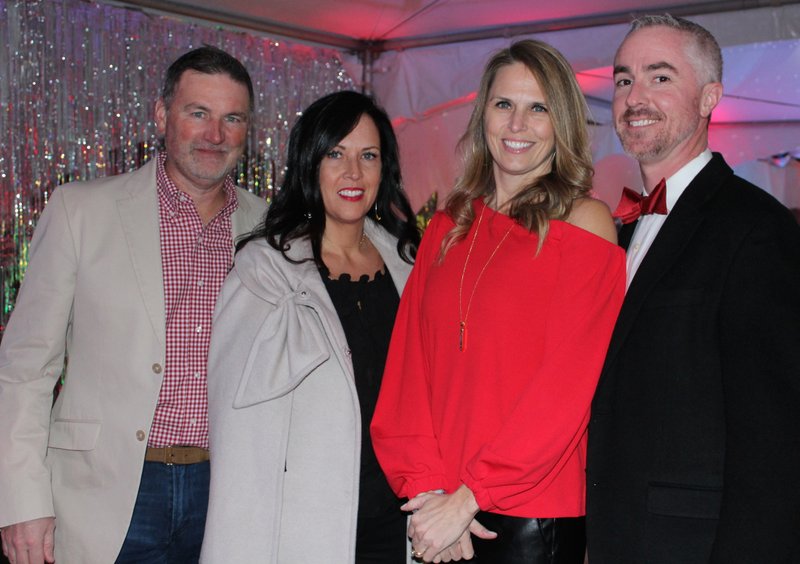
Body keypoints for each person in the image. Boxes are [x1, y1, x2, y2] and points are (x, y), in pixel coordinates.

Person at [0, 46, 266, 564]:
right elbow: (24, 369)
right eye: (198, 113)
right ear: (163, 115)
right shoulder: (81, 210)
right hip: (103, 494)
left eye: (231, 118)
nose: (215, 135)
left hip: (228, 492)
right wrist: (20, 501)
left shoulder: (271, 228)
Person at [370, 39, 626, 563]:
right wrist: (430, 493)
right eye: (504, 104)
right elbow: (408, 369)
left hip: (532, 515)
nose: (517, 124)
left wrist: (471, 496)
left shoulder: (585, 222)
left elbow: (568, 386)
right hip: (439, 512)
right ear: (482, 111)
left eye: (539, 109)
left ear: (563, 123)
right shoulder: (447, 224)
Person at [585, 15, 800, 564]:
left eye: (660, 78)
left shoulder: (756, 229)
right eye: (624, 78)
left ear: (710, 98)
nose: (635, 96)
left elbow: (774, 443)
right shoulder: (619, 228)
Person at [200, 90, 420, 564]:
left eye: (368, 156)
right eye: (334, 154)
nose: (353, 174)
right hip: (305, 524)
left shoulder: (409, 267)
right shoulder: (264, 273)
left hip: (400, 521)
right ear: (308, 162)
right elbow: (240, 437)